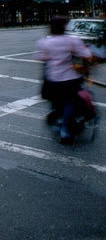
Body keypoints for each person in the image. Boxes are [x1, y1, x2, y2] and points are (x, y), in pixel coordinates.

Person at [36, 16, 92, 144]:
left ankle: (56, 118)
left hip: (52, 78)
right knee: (70, 102)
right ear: (64, 27)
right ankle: (65, 130)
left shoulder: (44, 42)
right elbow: (86, 55)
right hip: (70, 79)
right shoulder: (72, 41)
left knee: (56, 100)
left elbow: (41, 57)